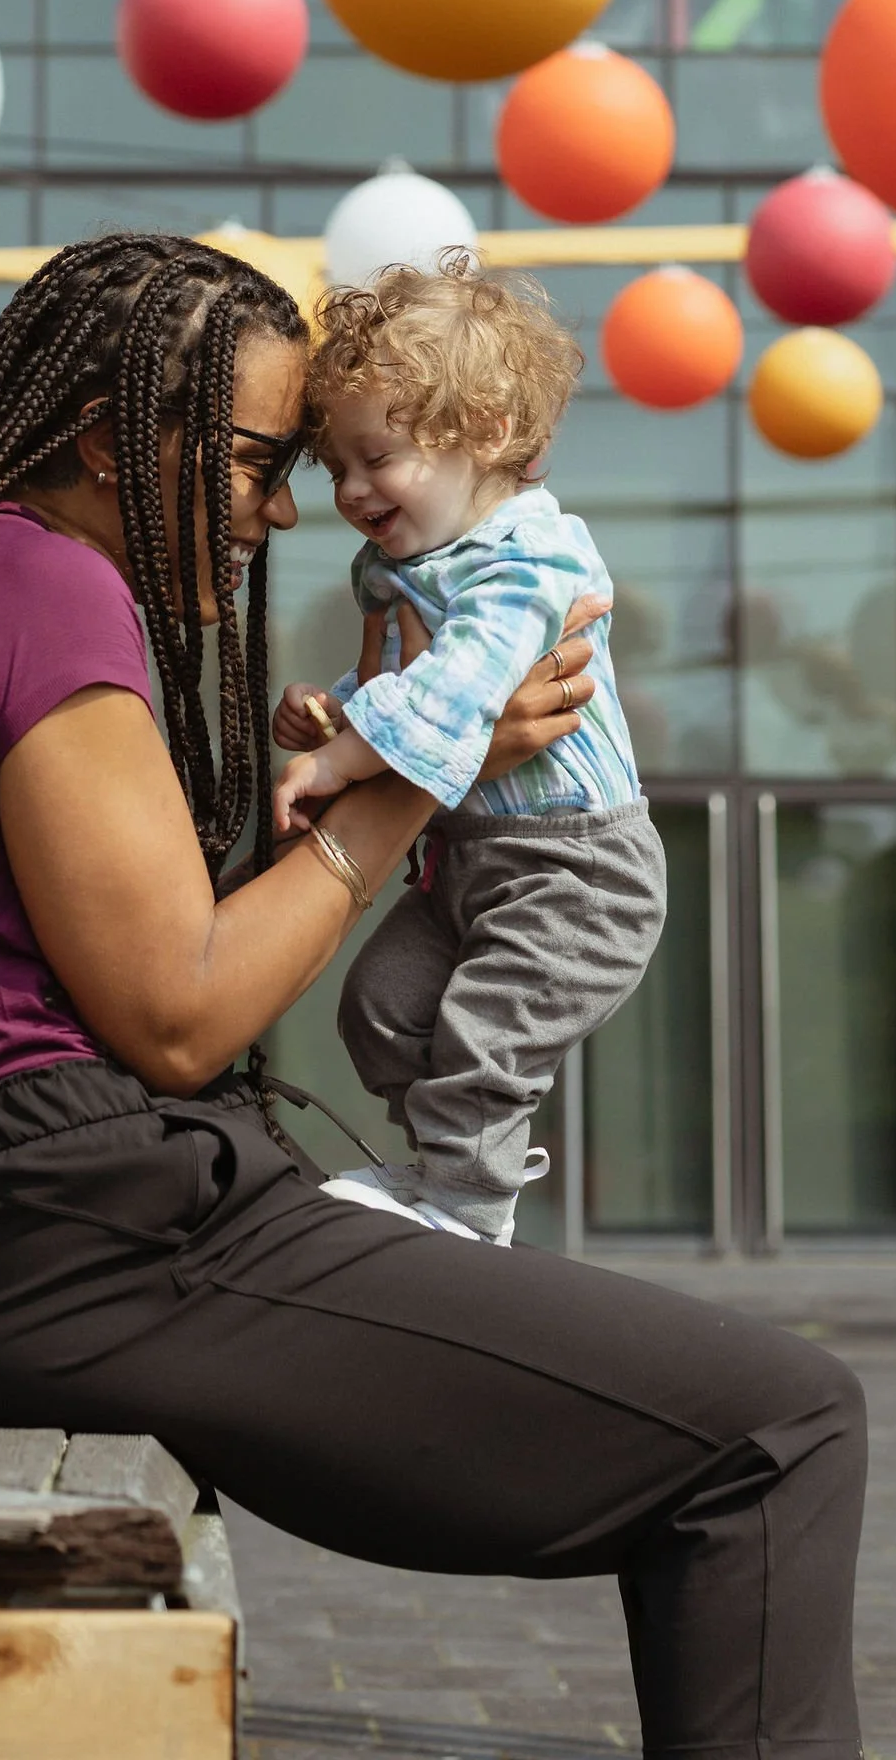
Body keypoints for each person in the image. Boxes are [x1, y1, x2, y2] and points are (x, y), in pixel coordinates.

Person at [0, 230, 866, 1760]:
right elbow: (180, 1012)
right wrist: (443, 769)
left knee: (749, 1421)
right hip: (103, 1239)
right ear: (121, 443)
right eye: (256, 462)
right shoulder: (38, 589)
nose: (284, 507)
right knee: (784, 1428)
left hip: (50, 1227)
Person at [272, 260, 666, 1244]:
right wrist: (338, 715)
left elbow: (461, 688)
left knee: (486, 1035)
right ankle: (441, 1166)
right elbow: (413, 688)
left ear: (485, 435)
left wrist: (340, 763)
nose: (353, 489)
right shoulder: (415, 568)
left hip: (573, 869)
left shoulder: (528, 560)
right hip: (469, 861)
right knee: (379, 1007)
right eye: (337, 470)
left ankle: (467, 1207)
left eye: (379, 458)